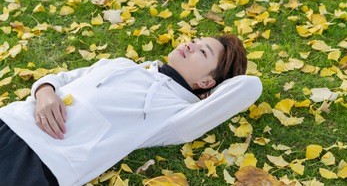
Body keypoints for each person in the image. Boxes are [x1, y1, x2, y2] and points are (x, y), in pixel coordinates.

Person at [0, 34, 262, 186]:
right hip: (10, 121)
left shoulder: (176, 115)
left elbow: (250, 87)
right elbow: (63, 78)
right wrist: (44, 90)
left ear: (206, 82)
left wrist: (207, 92)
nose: (190, 44)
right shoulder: (121, 64)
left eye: (202, 52)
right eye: (195, 40)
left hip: (43, 163)